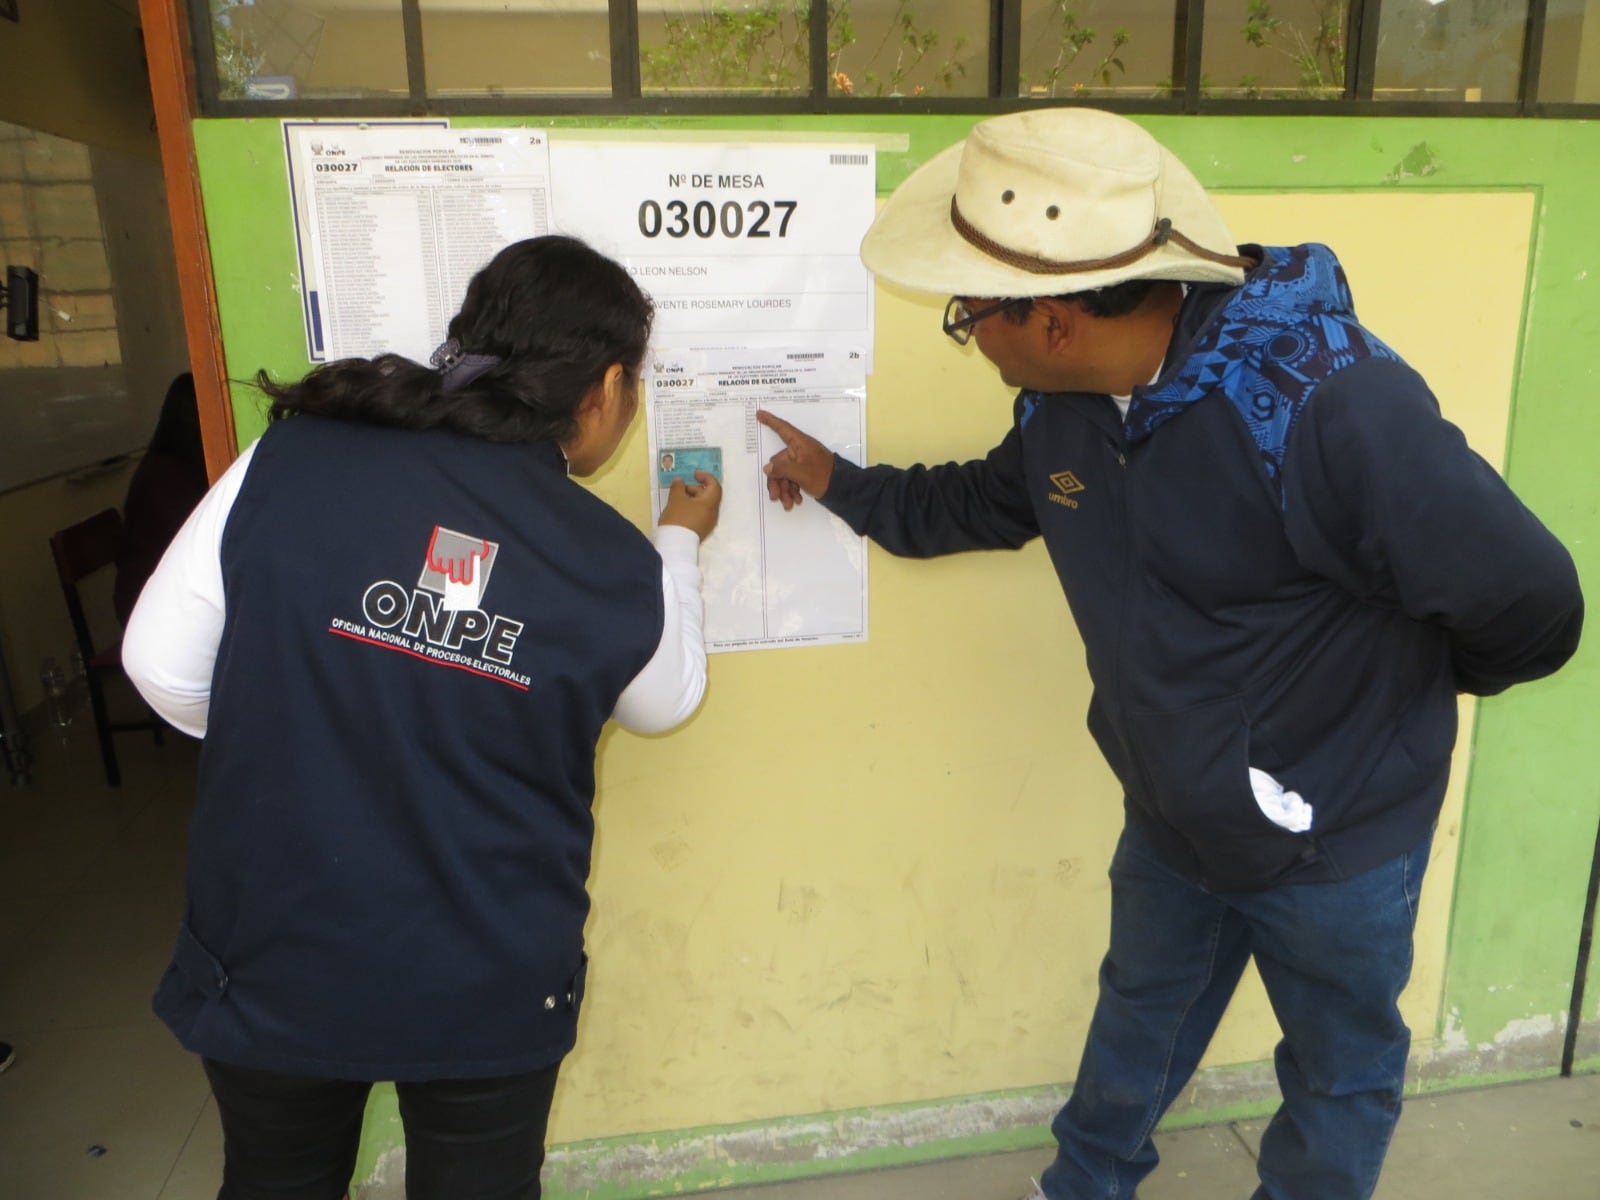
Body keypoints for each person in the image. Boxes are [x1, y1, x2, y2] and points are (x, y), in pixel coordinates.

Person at [757, 110, 1583, 1200]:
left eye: (967, 317)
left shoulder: (1329, 407)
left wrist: (1374, 720)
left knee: (1337, 1073)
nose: (966, 335)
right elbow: (983, 502)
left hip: (1332, 845)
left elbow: (1534, 603)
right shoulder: (1064, 412)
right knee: (1136, 1026)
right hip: (1173, 815)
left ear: (1049, 320)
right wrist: (840, 485)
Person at [123, 235, 722, 1200]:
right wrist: (679, 548)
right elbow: (667, 700)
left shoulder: (294, 454)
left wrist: (297, 724)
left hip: (276, 944)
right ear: (606, 389)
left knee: (277, 1180)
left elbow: (157, 667)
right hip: (485, 966)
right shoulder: (607, 561)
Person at [113, 371, 211, 627]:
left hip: (173, 593)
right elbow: (201, 543)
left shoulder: (179, 466)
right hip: (150, 606)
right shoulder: (165, 476)